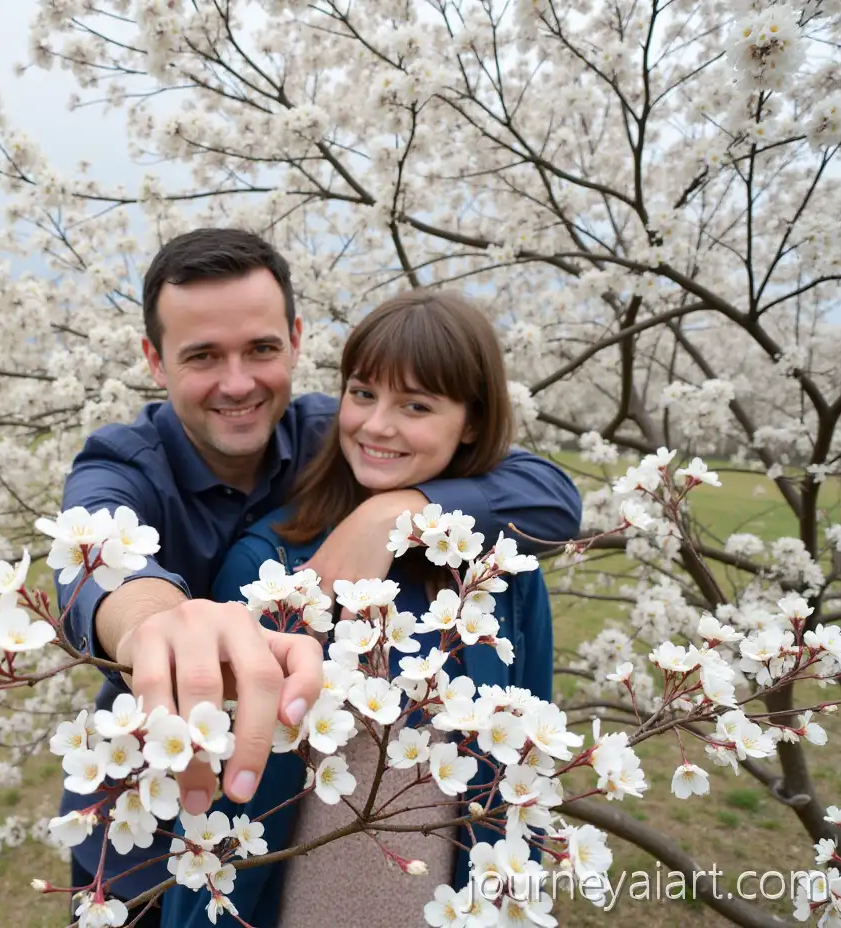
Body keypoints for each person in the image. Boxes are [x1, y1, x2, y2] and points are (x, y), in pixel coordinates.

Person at [54, 229, 581, 924]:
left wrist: (395, 512)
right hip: (139, 839)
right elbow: (97, 563)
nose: (238, 382)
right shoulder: (120, 466)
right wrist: (158, 625)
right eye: (203, 356)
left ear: (297, 341)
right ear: (154, 360)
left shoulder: (343, 436)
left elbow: (548, 495)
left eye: (262, 350)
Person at [159, 289, 555, 927]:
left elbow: (529, 758)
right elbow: (222, 798)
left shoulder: (497, 574)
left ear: (473, 422)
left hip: (446, 897)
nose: (376, 425)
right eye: (363, 393)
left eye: (416, 405)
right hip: (293, 899)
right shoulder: (273, 566)